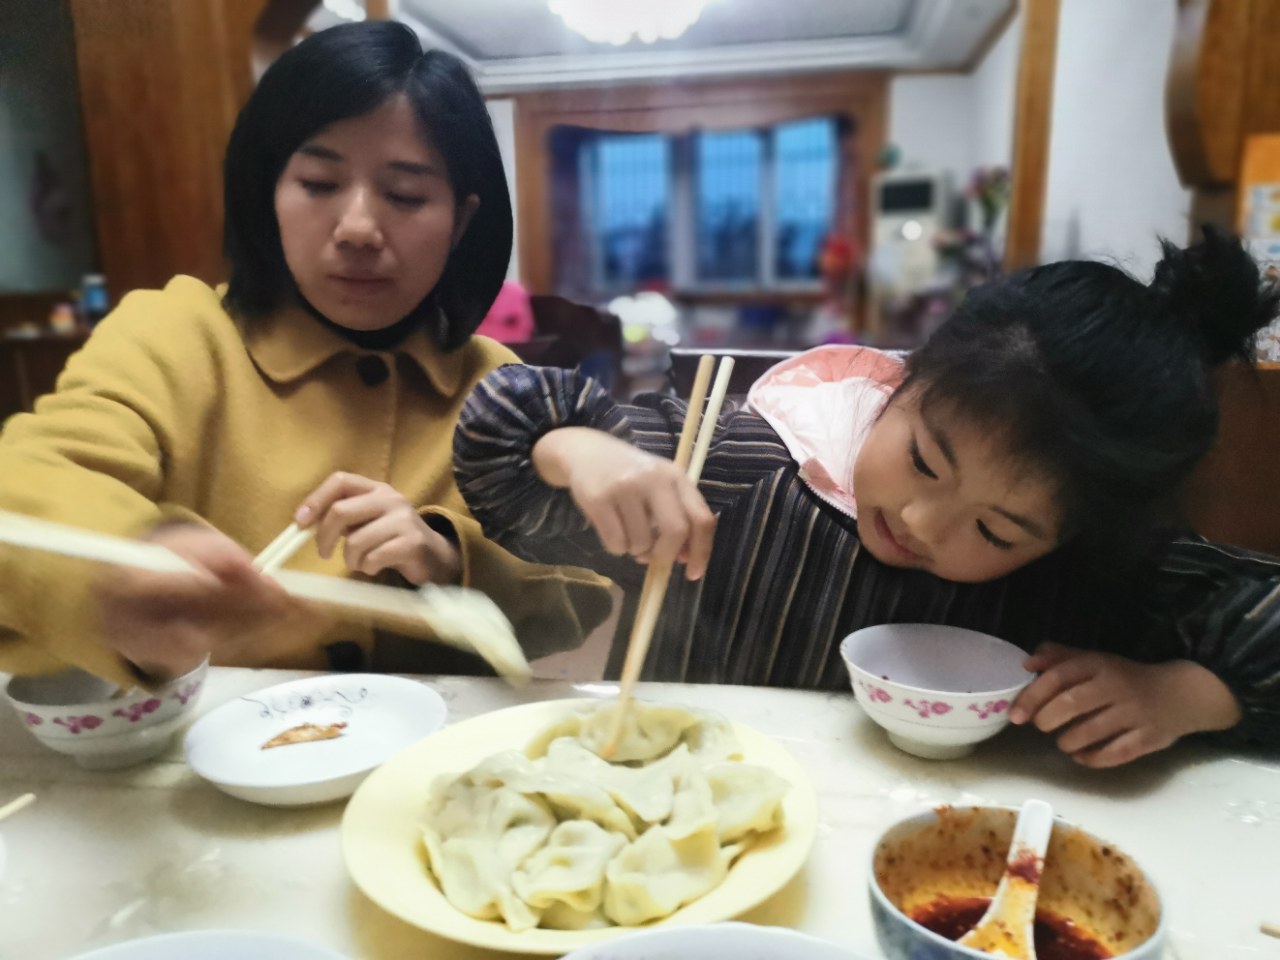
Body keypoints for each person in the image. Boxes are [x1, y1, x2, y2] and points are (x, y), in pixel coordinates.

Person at [456, 228, 1280, 767]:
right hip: (680, 816)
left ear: (1071, 538)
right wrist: (573, 449)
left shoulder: (1089, 577)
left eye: (996, 531)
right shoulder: (738, 467)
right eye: (924, 460)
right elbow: (496, 436)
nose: (922, 523)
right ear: (900, 378)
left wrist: (1185, 695)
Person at [0, 22, 611, 688]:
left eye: (405, 195)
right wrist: (122, 567)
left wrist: (446, 558)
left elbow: (573, 600)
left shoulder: (498, 387)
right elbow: (28, 479)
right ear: (271, 194)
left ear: (461, 221)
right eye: (319, 183)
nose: (357, 229)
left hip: (418, 765)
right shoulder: (176, 335)